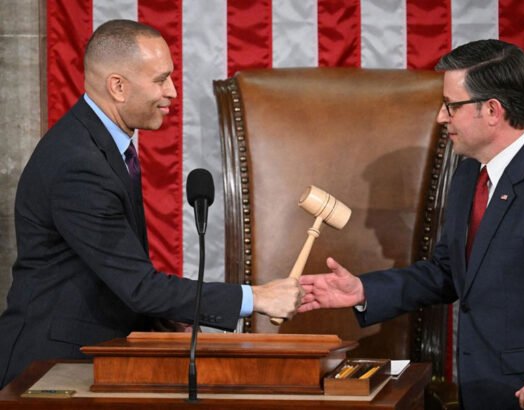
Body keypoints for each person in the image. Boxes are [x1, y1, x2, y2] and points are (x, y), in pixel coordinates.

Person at [298, 39, 524, 410]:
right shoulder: (468, 175)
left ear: (493, 110)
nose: (440, 117)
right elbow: (448, 273)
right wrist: (363, 290)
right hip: (481, 394)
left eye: (451, 105)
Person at [0, 19, 302, 389]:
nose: (173, 92)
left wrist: (159, 319)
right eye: (160, 80)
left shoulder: (100, 144)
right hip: (51, 367)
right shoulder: (79, 163)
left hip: (88, 357)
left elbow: (110, 272)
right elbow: (138, 286)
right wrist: (256, 297)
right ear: (118, 86)